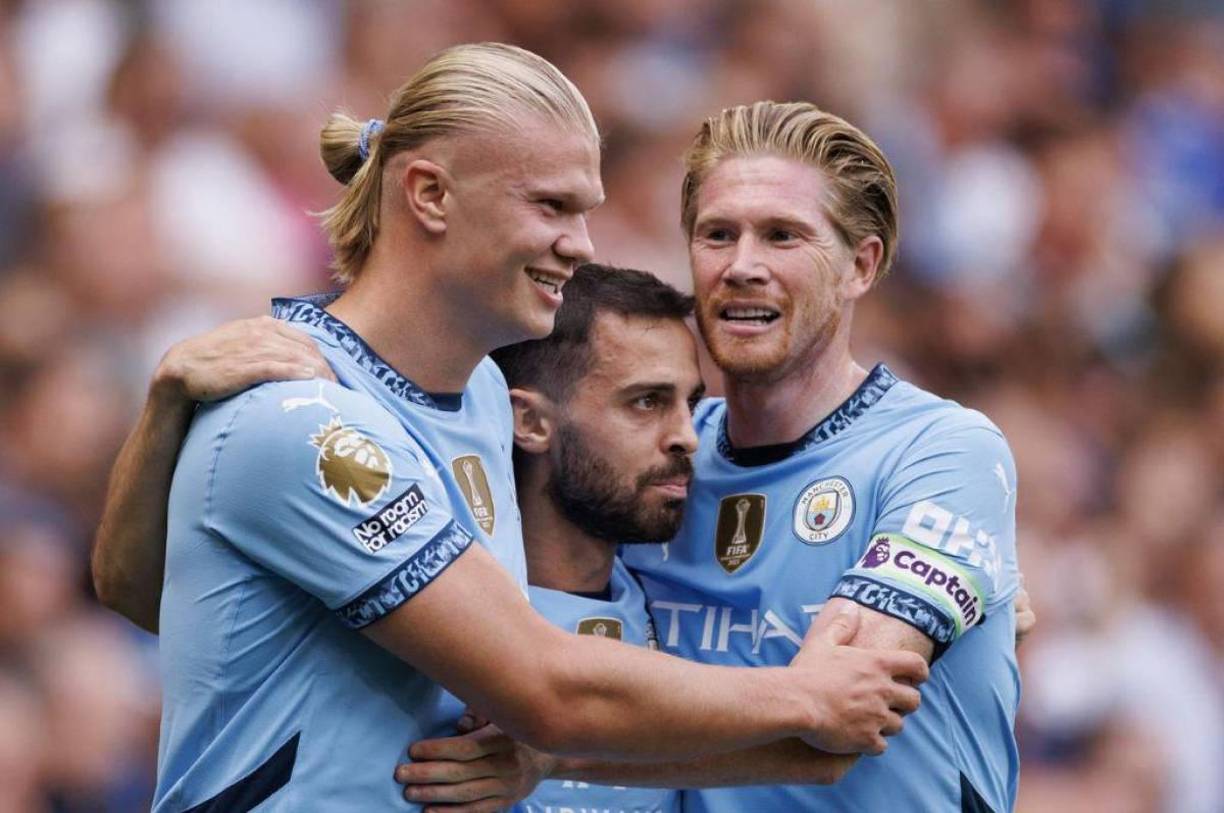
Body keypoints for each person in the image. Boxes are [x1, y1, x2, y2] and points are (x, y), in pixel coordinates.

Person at [91, 46, 927, 811]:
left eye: (587, 209)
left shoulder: (489, 396)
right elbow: (545, 686)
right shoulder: (304, 415)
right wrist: (809, 694)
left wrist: (953, 583)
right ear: (429, 195)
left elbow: (153, 589)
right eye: (552, 206)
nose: (580, 244)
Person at [399, 102, 1024, 812]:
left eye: (782, 236)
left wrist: (551, 750)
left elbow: (837, 722)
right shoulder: (655, 455)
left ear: (862, 264)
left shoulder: (940, 452)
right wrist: (252, 357)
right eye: (717, 235)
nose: (741, 266)